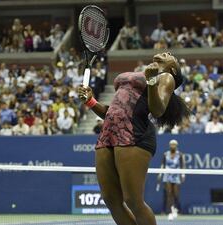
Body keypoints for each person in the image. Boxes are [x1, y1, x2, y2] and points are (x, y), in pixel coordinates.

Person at [77, 52, 190, 225]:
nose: (165, 53)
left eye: (170, 55)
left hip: (134, 134)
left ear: (173, 68)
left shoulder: (166, 77)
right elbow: (113, 112)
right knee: (111, 200)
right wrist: (91, 101)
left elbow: (157, 110)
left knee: (133, 201)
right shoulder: (145, 74)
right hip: (109, 131)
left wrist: (152, 81)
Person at [157, 139, 185, 221]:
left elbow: (183, 165)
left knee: (176, 193)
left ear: (176, 146)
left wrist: (183, 174)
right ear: (170, 145)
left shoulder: (180, 154)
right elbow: (163, 165)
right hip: (167, 174)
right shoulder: (166, 154)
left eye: (174, 144)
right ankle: (170, 211)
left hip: (176, 175)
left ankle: (178, 209)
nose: (173, 146)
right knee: (169, 193)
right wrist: (160, 173)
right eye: (171, 144)